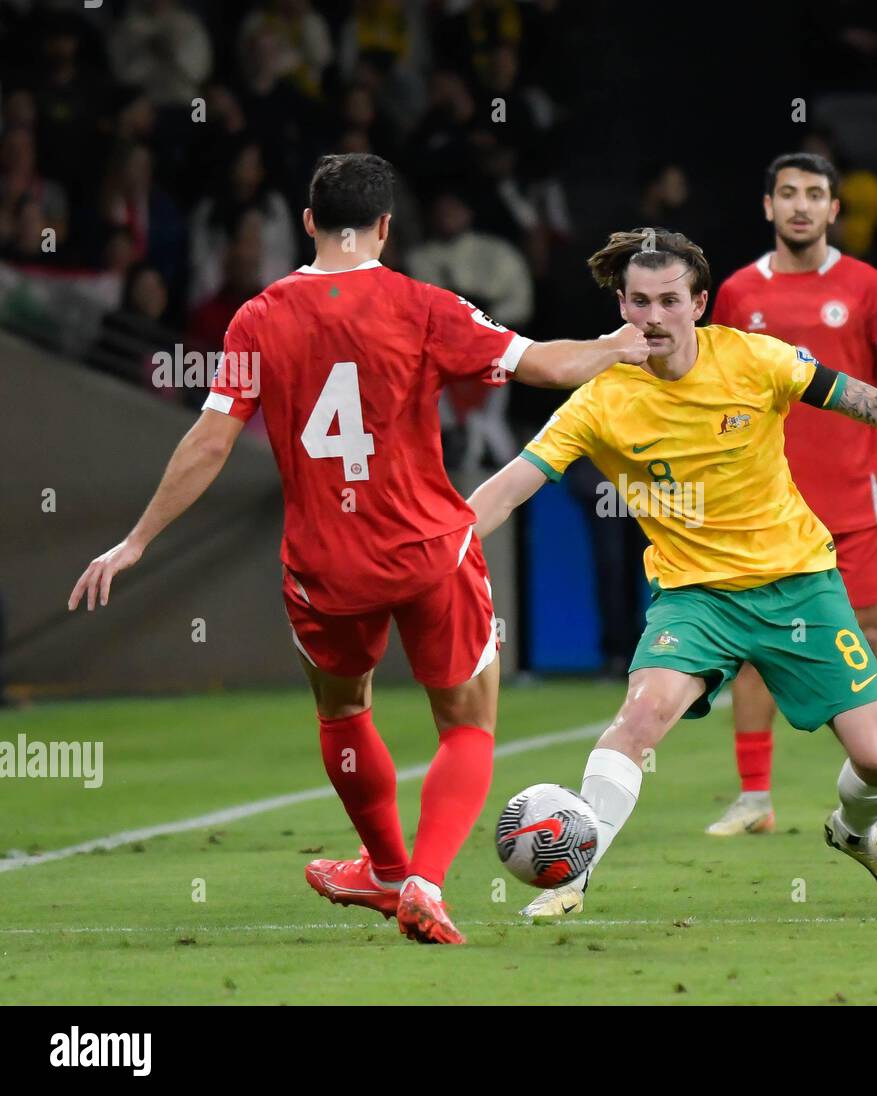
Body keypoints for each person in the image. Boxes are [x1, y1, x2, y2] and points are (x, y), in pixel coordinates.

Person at [67, 153, 650, 945]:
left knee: (343, 710)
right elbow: (544, 364)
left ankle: (383, 867)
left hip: (324, 565)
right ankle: (424, 882)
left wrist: (136, 541)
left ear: (307, 223)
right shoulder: (423, 304)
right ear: (385, 226)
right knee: (468, 725)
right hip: (426, 550)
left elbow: (209, 441)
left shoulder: (257, 317)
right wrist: (618, 343)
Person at [467, 228, 877, 918]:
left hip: (800, 583)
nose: (654, 317)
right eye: (639, 302)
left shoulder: (756, 359)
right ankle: (574, 873)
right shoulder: (599, 399)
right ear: (621, 306)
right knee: (639, 721)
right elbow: (506, 488)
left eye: (669, 300)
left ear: (700, 303)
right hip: (694, 597)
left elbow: (876, 403)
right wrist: (439, 549)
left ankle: (857, 832)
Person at [704, 152, 877, 837]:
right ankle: (754, 800)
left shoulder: (870, 289)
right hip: (759, 508)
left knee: (866, 640)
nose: (800, 205)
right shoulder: (738, 294)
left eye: (814, 194)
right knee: (750, 646)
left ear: (835, 210)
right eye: (788, 193)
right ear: (767, 207)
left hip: (854, 504)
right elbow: (712, 390)